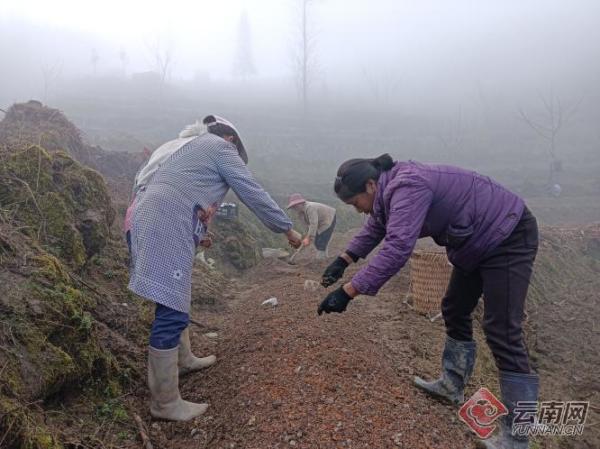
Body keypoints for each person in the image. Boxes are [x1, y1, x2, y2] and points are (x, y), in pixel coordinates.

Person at [318, 154, 539, 449]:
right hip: (476, 240)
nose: (357, 210)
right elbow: (379, 224)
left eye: (354, 203)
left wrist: (348, 292)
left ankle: (517, 436)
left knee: (502, 330)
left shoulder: (407, 186)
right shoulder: (388, 190)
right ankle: (452, 385)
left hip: (507, 233)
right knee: (454, 308)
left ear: (370, 185)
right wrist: (344, 259)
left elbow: (398, 248)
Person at [127, 115, 302, 421]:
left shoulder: (174, 148)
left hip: (142, 218)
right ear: (230, 140)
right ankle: (165, 403)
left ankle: (184, 359)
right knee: (172, 308)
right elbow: (251, 191)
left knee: (174, 296)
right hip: (165, 219)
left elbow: (165, 188)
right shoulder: (218, 146)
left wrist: (196, 230)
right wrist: (286, 229)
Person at [286, 193, 337, 259]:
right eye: (293, 207)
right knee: (317, 241)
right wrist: (307, 237)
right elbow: (306, 227)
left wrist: (309, 237)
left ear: (301, 203)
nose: (295, 208)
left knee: (322, 240)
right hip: (320, 222)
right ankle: (325, 257)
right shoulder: (300, 214)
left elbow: (313, 223)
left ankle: (320, 259)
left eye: (296, 206)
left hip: (329, 217)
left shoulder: (310, 207)